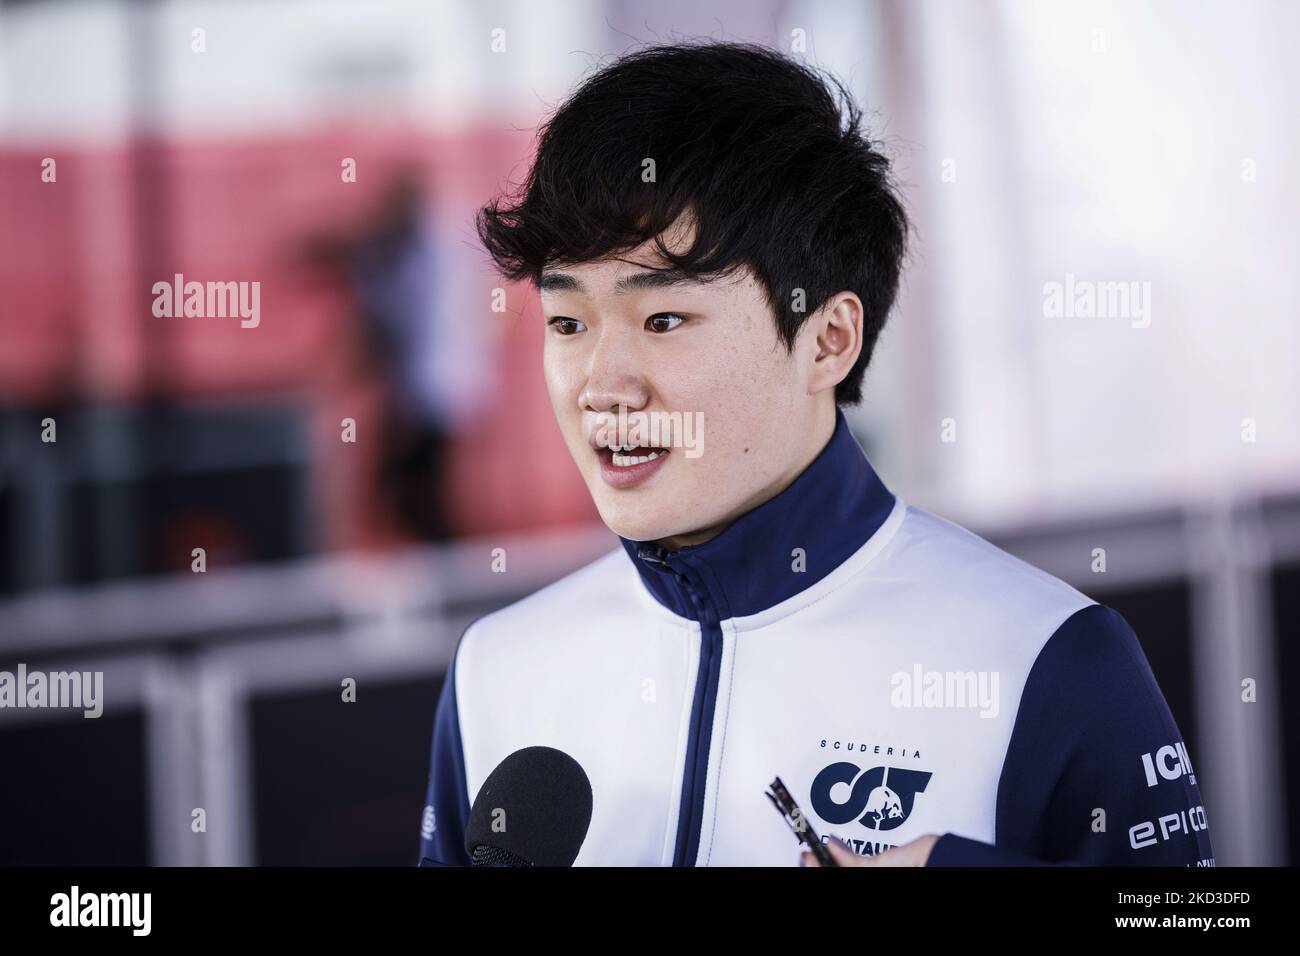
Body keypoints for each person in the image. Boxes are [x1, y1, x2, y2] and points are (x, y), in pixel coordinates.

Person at [417, 42, 1213, 867]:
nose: (601, 385)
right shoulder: (497, 672)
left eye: (662, 321)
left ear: (829, 340)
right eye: (566, 323)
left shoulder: (1051, 658)